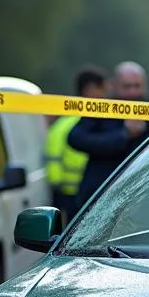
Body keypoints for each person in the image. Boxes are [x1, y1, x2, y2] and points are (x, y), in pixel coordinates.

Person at [67, 61, 149, 210]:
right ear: (114, 85)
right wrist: (124, 134)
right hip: (100, 196)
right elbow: (75, 138)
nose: (133, 92)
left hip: (140, 195)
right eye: (127, 86)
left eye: (137, 86)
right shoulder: (103, 109)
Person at [45, 66, 106, 218]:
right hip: (73, 195)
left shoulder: (65, 123)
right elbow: (53, 156)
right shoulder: (71, 125)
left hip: (85, 191)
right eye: (101, 89)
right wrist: (59, 189)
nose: (104, 95)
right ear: (88, 90)